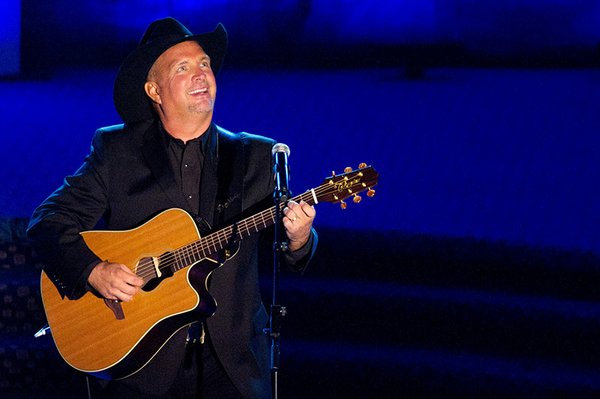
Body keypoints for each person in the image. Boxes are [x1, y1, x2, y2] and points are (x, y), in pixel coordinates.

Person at [27, 17, 317, 398]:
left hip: (232, 367)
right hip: (141, 364)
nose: (201, 75)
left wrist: (299, 238)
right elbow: (47, 222)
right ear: (154, 90)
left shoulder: (256, 156)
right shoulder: (117, 151)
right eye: (183, 68)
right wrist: (93, 271)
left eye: (205, 65)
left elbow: (288, 250)